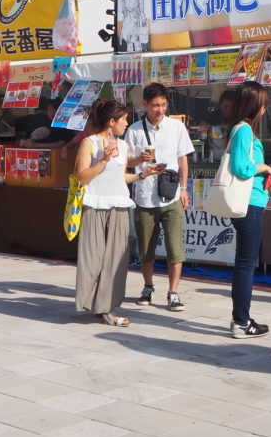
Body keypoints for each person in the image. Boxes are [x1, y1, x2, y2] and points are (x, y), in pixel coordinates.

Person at [75, 100, 159, 327]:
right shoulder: (89, 143)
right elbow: (82, 177)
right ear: (111, 122)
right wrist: (103, 159)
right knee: (92, 259)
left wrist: (143, 174)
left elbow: (121, 176)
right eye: (123, 119)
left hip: (120, 206)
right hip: (94, 206)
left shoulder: (123, 146)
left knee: (115, 262)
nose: (126, 123)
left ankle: (107, 309)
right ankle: (94, 304)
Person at [125, 83, 193, 311]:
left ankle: (173, 292)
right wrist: (138, 160)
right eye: (155, 105)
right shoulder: (134, 130)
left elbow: (183, 159)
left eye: (163, 105)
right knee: (146, 249)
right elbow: (124, 163)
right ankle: (148, 285)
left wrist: (184, 188)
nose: (160, 109)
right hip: (145, 197)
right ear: (145, 104)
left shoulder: (176, 127)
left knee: (176, 248)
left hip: (171, 195)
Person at [225, 81, 271, 338]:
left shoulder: (241, 129)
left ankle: (241, 318)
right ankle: (241, 321)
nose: (265, 108)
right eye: (263, 102)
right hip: (249, 203)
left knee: (244, 262)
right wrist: (264, 167)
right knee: (246, 263)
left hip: (249, 202)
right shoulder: (244, 130)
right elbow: (241, 167)